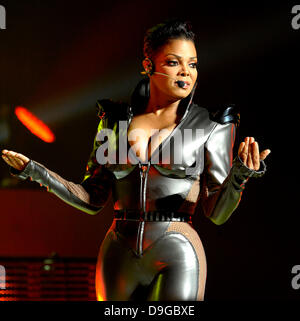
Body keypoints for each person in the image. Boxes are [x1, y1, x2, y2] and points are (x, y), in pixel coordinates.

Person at [1, 19, 270, 301]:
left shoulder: (211, 125)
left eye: (192, 64)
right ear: (148, 65)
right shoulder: (114, 121)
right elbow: (92, 198)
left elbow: (216, 213)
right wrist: (35, 171)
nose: (186, 73)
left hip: (177, 250)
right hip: (118, 250)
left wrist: (239, 175)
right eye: (173, 62)